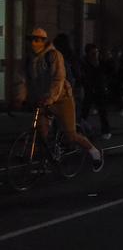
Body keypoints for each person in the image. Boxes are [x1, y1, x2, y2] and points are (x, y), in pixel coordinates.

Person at [14, 28, 104, 171]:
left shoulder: (54, 55)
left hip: (62, 99)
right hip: (42, 99)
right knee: (41, 132)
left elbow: (58, 79)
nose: (33, 43)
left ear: (44, 42)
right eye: (32, 40)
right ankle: (45, 163)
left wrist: (50, 98)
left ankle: (95, 153)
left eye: (37, 40)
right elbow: (22, 80)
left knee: (71, 134)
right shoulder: (28, 59)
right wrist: (20, 98)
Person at [80, 43, 113, 140]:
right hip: (90, 90)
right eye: (93, 53)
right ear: (88, 54)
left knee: (103, 112)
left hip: (100, 90)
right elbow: (83, 76)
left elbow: (110, 72)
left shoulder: (101, 62)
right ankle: (80, 131)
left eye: (96, 52)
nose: (95, 55)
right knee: (84, 111)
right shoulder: (85, 63)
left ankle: (106, 131)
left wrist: (109, 60)